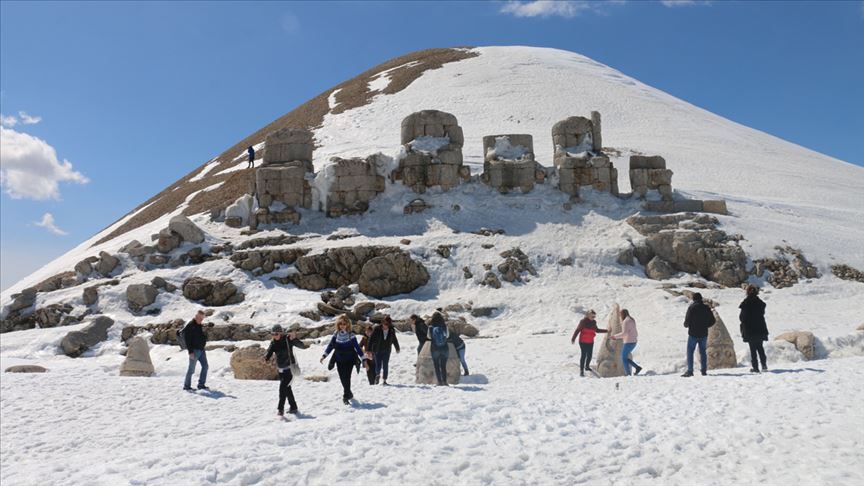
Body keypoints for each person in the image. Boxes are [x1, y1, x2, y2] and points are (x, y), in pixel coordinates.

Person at [264, 324, 308, 416]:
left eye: (276, 334)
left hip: (289, 369)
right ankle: (293, 407)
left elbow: (302, 346)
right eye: (272, 334)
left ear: (280, 333)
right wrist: (266, 358)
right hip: (280, 370)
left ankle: (280, 409)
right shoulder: (273, 343)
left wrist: (294, 339)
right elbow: (269, 352)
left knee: (282, 389)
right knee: (287, 389)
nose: (274, 336)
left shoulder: (288, 340)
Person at [320, 314, 364, 405]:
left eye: (344, 324)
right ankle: (349, 393)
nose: (342, 326)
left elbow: (357, 348)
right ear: (338, 325)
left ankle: (345, 396)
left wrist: (364, 359)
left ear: (348, 324)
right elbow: (331, 345)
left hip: (349, 360)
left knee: (347, 378)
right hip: (339, 360)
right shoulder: (336, 334)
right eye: (341, 324)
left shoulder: (351, 335)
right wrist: (324, 356)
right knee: (342, 378)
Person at [682, 292, 716, 377]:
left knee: (690, 351)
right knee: (703, 352)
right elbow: (713, 321)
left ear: (694, 299)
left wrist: (687, 325)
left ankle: (690, 371)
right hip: (704, 333)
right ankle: (703, 370)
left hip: (693, 333)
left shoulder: (691, 308)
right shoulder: (706, 308)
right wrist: (706, 325)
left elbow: (687, 322)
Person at [739, 284, 769, 373]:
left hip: (749, 329)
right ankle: (764, 365)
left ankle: (755, 368)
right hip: (760, 328)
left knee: (753, 349)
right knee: (760, 347)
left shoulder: (745, 303)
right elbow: (762, 313)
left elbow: (742, 317)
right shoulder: (760, 303)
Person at [570, 309, 608, 377]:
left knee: (590, 355)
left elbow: (597, 330)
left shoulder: (594, 322)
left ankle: (587, 366)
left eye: (594, 316)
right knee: (583, 355)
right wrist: (573, 338)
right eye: (592, 316)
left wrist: (607, 331)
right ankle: (581, 370)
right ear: (588, 315)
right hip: (583, 341)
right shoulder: (583, 322)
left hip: (590, 341)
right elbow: (578, 330)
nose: (593, 318)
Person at [369, 316, 400, 385]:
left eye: (388, 324)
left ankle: (385, 380)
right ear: (382, 323)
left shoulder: (391, 330)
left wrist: (397, 347)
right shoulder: (377, 329)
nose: (386, 326)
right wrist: (369, 350)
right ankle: (377, 375)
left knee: (385, 365)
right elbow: (371, 339)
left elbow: (394, 339)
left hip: (387, 350)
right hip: (377, 350)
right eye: (385, 324)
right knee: (378, 365)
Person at [183, 310, 209, 391]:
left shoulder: (199, 325)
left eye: (202, 319)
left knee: (205, 366)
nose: (201, 320)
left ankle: (201, 385)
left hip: (201, 350)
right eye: (200, 318)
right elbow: (187, 340)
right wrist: (190, 352)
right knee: (191, 369)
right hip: (194, 351)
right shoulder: (190, 326)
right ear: (196, 317)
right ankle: (187, 386)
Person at [610, 309, 642, 376]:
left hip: (628, 342)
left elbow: (624, 333)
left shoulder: (626, 321)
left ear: (622, 314)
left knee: (623, 358)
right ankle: (637, 368)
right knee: (624, 358)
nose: (620, 316)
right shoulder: (632, 320)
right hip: (634, 341)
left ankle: (628, 374)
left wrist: (614, 337)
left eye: (620, 315)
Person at [427, 312, 450, 386]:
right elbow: (447, 336)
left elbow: (429, 337)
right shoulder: (444, 326)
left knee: (436, 365)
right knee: (443, 366)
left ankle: (439, 382)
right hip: (444, 348)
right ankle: (445, 381)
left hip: (434, 348)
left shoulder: (431, 327)